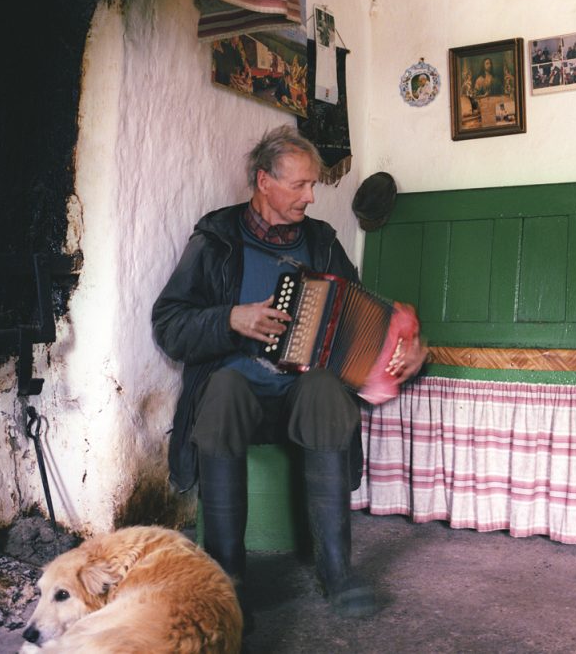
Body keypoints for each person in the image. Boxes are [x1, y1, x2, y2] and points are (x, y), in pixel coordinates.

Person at [151, 126, 427, 619]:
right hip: (237, 399)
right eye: (299, 185)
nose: (310, 196)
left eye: (312, 184)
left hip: (302, 400)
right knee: (224, 388)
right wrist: (230, 319)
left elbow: (361, 324)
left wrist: (407, 355)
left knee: (324, 388)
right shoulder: (217, 238)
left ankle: (337, 572)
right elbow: (169, 324)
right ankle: (227, 581)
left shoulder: (320, 242)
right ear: (264, 181)